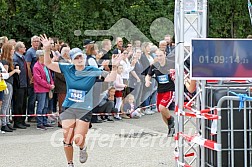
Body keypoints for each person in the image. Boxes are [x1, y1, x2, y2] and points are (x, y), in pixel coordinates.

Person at [40, 34, 122, 167]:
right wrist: (47, 49)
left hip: (84, 108)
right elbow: (48, 63)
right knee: (67, 138)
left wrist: (114, 68)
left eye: (81, 56)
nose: (79, 59)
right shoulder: (67, 69)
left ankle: (82, 147)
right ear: (72, 60)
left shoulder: (92, 70)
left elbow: (110, 78)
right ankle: (70, 163)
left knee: (78, 139)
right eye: (76, 57)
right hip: (68, 107)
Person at [145, 49, 175, 137]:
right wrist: (147, 81)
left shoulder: (171, 63)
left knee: (162, 108)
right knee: (161, 111)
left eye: (161, 55)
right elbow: (148, 75)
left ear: (165, 54)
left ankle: (171, 119)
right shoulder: (154, 65)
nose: (159, 58)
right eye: (157, 56)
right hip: (160, 90)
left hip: (170, 89)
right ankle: (171, 128)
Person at [33, 50, 55, 130]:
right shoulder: (36, 66)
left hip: (47, 88)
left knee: (46, 106)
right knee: (41, 106)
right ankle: (39, 123)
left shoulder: (45, 65)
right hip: (41, 89)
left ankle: (45, 122)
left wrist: (52, 83)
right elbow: (39, 80)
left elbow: (49, 76)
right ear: (40, 57)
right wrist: (49, 86)